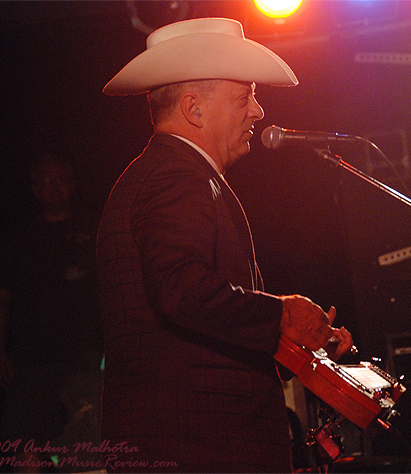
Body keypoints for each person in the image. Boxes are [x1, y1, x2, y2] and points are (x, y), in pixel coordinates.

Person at [97, 17, 353, 473]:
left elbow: (197, 320)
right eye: (245, 96)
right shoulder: (176, 175)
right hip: (200, 446)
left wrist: (296, 345)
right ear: (194, 109)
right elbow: (180, 290)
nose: (257, 111)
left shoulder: (169, 173)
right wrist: (282, 314)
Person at [0, 153, 103, 472]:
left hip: (87, 359)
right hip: (31, 362)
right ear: (34, 189)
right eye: (44, 180)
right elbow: (0, 299)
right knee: (25, 448)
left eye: (60, 178)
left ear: (72, 183)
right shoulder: (18, 238)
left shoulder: (96, 227)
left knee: (88, 450)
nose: (53, 187)